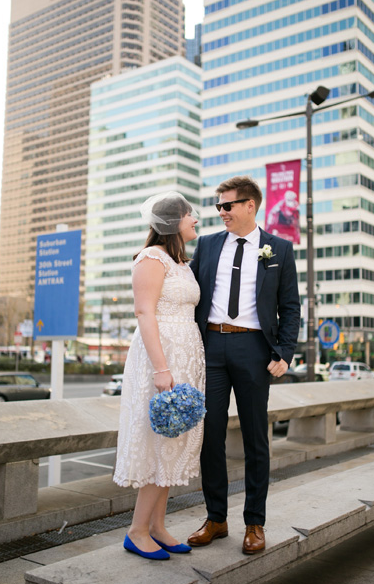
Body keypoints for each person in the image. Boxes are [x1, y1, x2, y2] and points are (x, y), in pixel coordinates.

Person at [188, 176, 300, 555]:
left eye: (227, 205)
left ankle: (255, 522)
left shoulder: (279, 250)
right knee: (210, 434)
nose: (221, 212)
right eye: (218, 205)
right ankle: (216, 518)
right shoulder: (205, 245)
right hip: (212, 345)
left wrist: (284, 352)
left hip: (254, 348)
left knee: (254, 437)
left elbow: (290, 307)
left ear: (250, 205)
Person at [113, 191, 205, 560]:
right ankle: (136, 530)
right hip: (161, 358)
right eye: (189, 214)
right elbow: (144, 314)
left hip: (186, 356)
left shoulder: (179, 262)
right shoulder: (151, 259)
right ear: (174, 221)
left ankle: (158, 526)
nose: (195, 219)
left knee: (174, 439)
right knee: (157, 441)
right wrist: (162, 368)